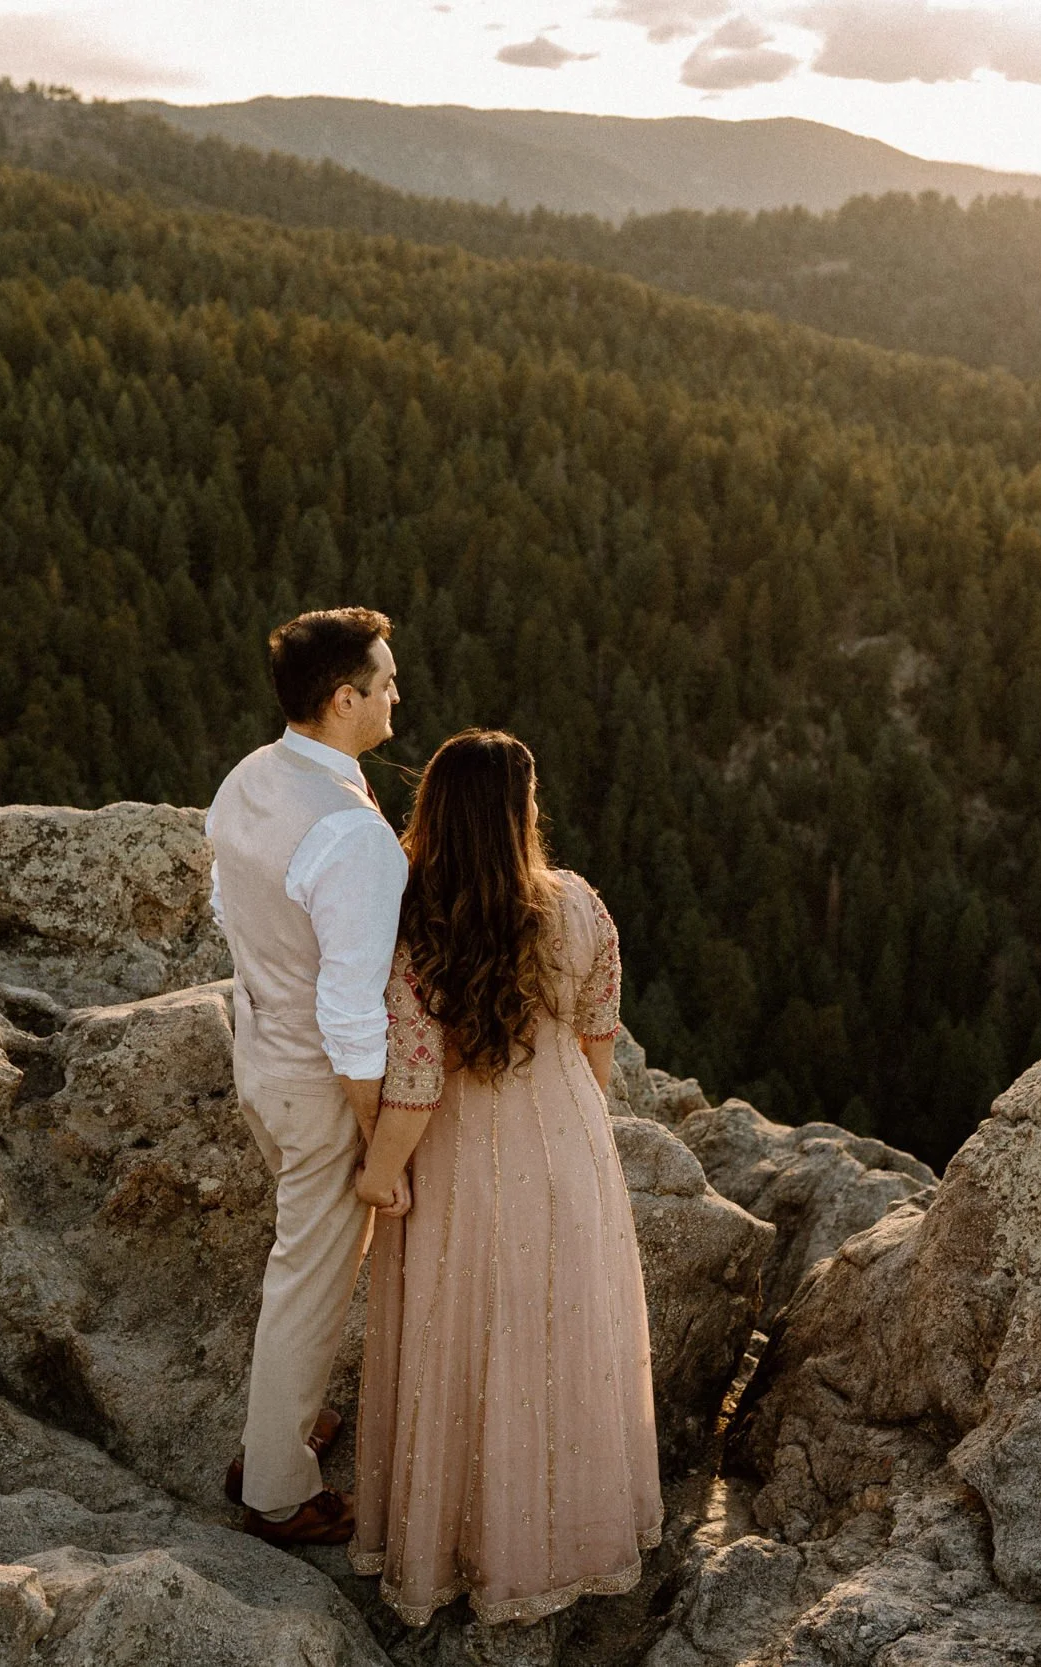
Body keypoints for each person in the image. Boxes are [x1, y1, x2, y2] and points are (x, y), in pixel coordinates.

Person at [349, 729, 662, 1628]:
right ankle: (566, 1533)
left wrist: (378, 1173)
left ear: (434, 814)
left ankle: (458, 1543)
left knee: (462, 1336)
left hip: (457, 1150)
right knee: (561, 1334)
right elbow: (598, 1047)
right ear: (523, 815)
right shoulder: (579, 908)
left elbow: (411, 1078)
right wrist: (564, 1124)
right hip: (566, 1135)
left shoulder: (414, 921)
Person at [207, 607, 406, 1547]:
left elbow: (225, 901)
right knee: (311, 1275)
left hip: (257, 1052)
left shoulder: (252, 775)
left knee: (304, 1263)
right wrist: (379, 1136)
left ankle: (283, 1420)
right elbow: (354, 1015)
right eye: (385, 682)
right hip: (319, 1079)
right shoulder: (352, 836)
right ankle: (277, 1486)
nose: (397, 694)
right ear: (343, 699)